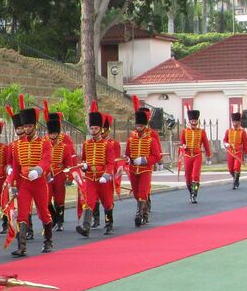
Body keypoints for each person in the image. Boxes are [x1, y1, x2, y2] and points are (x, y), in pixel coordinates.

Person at [7, 101, 53, 256]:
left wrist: (39, 170)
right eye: (24, 126)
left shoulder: (44, 143)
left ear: (35, 126)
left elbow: (47, 160)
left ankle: (48, 241)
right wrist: (13, 185)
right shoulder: (17, 145)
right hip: (24, 183)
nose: (26, 129)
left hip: (39, 182)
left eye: (29, 126)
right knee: (22, 213)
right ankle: (22, 247)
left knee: (43, 213)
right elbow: (15, 167)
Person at [76, 104, 120, 237]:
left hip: (103, 177)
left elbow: (111, 162)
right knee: (89, 202)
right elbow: (84, 159)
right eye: (91, 128)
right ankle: (86, 228)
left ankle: (109, 224)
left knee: (107, 202)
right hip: (90, 177)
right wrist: (84, 166)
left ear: (100, 129)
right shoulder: (86, 144)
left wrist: (106, 175)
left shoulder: (108, 145)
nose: (93, 130)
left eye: (96, 128)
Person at [124, 97, 163, 226]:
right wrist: (128, 158)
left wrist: (145, 160)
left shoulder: (152, 137)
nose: (139, 127)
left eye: (141, 125)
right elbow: (128, 153)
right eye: (137, 125)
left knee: (142, 191)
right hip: (133, 169)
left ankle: (139, 214)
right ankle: (144, 211)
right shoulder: (131, 138)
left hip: (146, 169)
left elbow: (157, 155)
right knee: (136, 193)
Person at [43, 103, 76, 227]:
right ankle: (54, 217)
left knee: (60, 198)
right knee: (46, 198)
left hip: (59, 173)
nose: (52, 135)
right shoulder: (44, 142)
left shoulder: (65, 144)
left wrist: (70, 176)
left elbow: (70, 159)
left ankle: (60, 220)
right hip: (47, 174)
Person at [177, 110, 211, 203]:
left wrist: (208, 155)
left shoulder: (202, 132)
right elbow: (182, 142)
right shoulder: (184, 131)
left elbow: (206, 144)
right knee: (188, 178)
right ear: (189, 122)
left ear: (197, 121)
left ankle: (194, 194)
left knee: (195, 176)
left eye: (195, 121)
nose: (194, 123)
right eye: (192, 121)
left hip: (197, 155)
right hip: (187, 155)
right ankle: (191, 192)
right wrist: (183, 146)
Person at [223, 110, 247, 189]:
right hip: (230, 152)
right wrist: (226, 143)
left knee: (236, 167)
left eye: (236, 122)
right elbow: (225, 140)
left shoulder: (242, 132)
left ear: (239, 122)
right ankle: (236, 179)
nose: (235, 124)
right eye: (233, 122)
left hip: (238, 152)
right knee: (231, 168)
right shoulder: (228, 131)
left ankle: (235, 182)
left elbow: (246, 144)